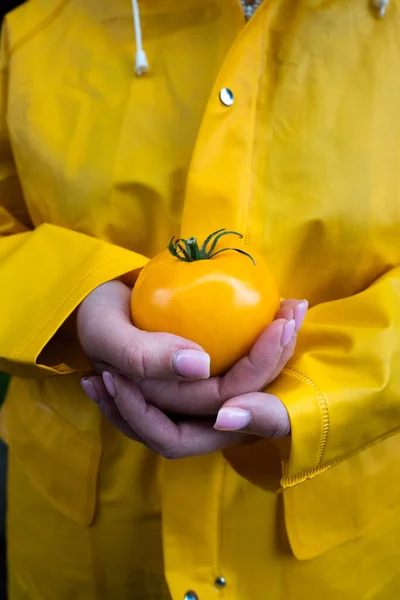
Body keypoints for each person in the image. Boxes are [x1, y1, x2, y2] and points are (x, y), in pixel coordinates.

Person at [0, 0, 399, 598]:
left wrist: (322, 391)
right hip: (80, 552)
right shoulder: (37, 27)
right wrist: (74, 303)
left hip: (335, 559)